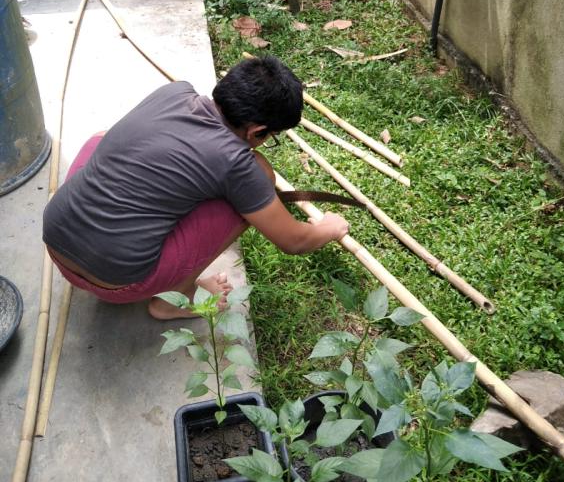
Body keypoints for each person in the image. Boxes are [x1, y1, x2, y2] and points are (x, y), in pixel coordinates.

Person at [43, 55, 349, 319]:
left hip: (56, 242)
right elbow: (293, 241)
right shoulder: (237, 163)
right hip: (116, 283)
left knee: (100, 138)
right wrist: (330, 228)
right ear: (257, 131)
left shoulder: (174, 93)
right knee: (257, 183)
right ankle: (175, 300)